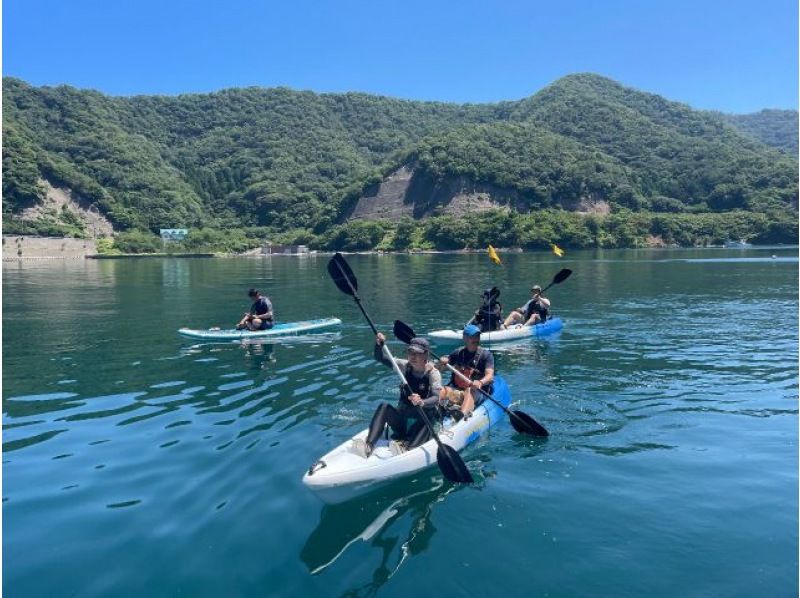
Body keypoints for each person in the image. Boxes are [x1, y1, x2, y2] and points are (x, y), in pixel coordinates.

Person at [354, 332, 443, 458]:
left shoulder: (433, 373)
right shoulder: (404, 366)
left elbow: (435, 398)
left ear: (426, 355)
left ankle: (408, 448)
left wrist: (422, 401)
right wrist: (378, 345)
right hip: (404, 417)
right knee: (384, 407)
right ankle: (369, 445)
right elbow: (381, 358)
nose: (412, 356)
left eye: (417, 353)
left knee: (428, 414)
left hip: (422, 421)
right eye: (410, 352)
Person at [437, 324, 495, 421]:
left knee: (470, 390)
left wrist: (480, 382)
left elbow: (490, 375)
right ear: (464, 338)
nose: (476, 339)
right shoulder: (457, 353)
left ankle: (461, 416)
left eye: (477, 336)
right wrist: (441, 363)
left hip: (476, 392)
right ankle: (434, 411)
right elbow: (439, 370)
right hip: (457, 390)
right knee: (442, 390)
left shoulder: (486, 355)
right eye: (472, 337)